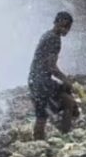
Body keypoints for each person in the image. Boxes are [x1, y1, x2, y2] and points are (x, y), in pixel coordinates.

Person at [29, 11, 78, 140]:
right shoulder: (54, 39)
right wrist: (66, 80)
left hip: (34, 79)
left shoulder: (47, 35)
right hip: (42, 82)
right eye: (64, 26)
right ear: (58, 23)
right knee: (68, 102)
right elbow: (51, 67)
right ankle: (65, 135)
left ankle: (40, 140)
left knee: (42, 115)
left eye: (68, 27)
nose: (66, 30)